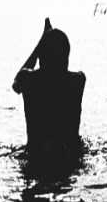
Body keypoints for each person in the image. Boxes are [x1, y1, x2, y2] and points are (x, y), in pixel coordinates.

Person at [12, 18, 86, 172]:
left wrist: (41, 43)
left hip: (35, 158)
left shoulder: (29, 82)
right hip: (69, 159)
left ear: (41, 57)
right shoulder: (77, 81)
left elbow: (17, 84)